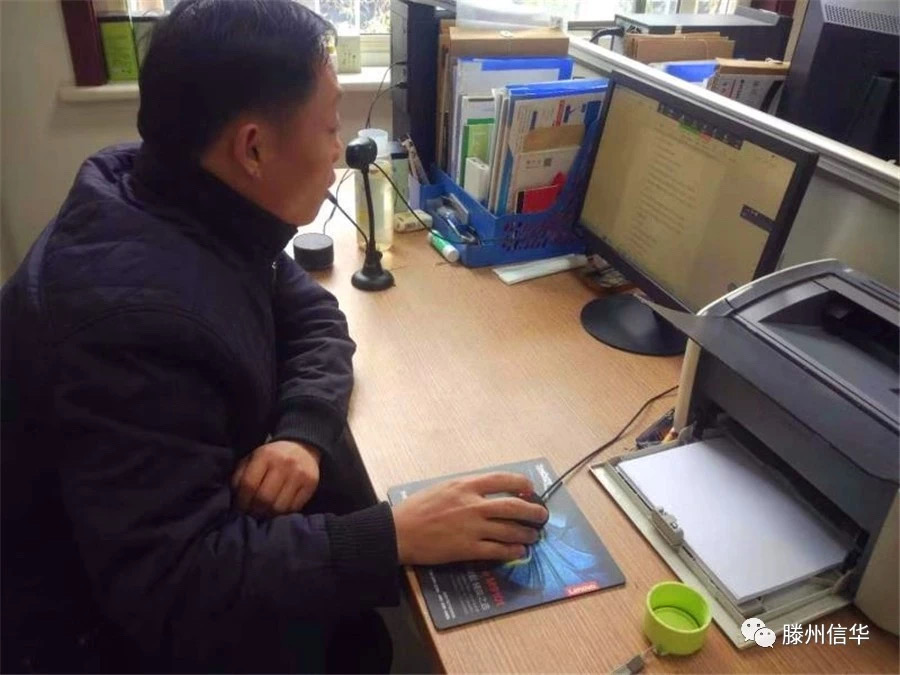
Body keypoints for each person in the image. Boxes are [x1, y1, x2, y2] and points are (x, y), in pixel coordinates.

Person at [0, 0, 548, 671]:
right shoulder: (130, 327)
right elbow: (177, 582)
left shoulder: (176, 193)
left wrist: (302, 431)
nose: (337, 152)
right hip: (100, 637)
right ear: (253, 149)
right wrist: (393, 536)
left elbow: (312, 315)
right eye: (329, 128)